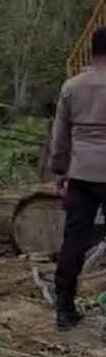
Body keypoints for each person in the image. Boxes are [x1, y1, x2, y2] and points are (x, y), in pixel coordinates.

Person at [51, 26, 106, 330]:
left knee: (74, 239)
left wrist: (60, 171)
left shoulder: (72, 87)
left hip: (82, 173)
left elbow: (61, 136)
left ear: (92, 51)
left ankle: (64, 310)